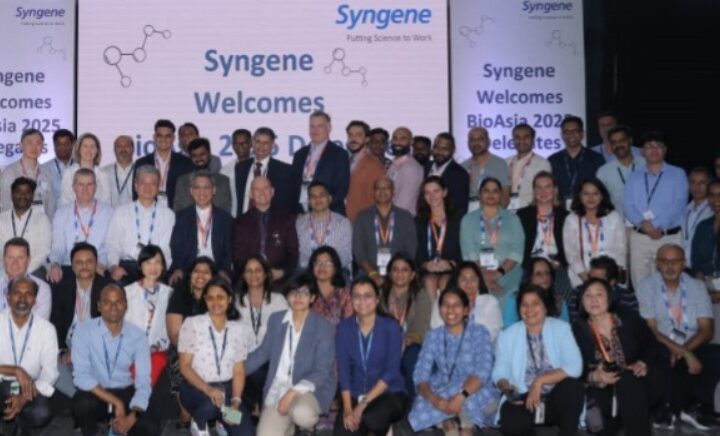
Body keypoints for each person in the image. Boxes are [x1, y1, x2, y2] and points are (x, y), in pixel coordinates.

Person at [636, 244, 720, 429]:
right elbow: (651, 331)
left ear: (684, 263)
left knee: (716, 354)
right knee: (660, 354)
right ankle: (665, 407)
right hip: (661, 344)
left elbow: (707, 330)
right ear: (657, 264)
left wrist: (683, 351)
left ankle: (697, 407)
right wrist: (684, 353)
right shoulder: (646, 287)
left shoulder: (697, 287)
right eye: (664, 261)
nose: (669, 266)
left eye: (675, 261)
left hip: (691, 344)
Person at [245, 280, 337, 436]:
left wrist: (292, 393)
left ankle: (302, 425)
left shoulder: (322, 326)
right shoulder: (276, 320)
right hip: (278, 390)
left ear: (312, 298)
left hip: (310, 389)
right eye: (293, 293)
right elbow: (262, 353)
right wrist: (235, 371)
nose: (298, 297)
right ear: (287, 297)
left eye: (304, 293)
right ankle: (289, 427)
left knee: (302, 413)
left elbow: (322, 371)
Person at [572, 278, 663, 436]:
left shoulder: (627, 317)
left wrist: (643, 362)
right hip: (602, 385)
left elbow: (652, 345)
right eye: (588, 295)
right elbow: (574, 367)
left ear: (609, 297)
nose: (593, 300)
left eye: (599, 294)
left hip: (636, 380)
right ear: (582, 301)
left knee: (629, 382)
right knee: (598, 401)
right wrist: (594, 376)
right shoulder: (578, 328)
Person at [493, 285, 585, 436]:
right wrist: (507, 389)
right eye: (524, 304)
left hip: (555, 396)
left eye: (535, 303)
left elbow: (575, 366)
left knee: (573, 387)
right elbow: (500, 372)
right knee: (511, 422)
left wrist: (539, 381)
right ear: (519, 309)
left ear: (545, 307)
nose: (529, 309)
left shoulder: (561, 328)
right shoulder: (508, 335)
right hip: (524, 397)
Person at [408, 288, 501, 434]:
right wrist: (434, 399)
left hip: (475, 388)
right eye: (445, 304)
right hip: (443, 387)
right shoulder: (433, 336)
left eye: (456, 305)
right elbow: (420, 374)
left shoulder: (479, 332)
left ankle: (454, 423)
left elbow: (483, 371)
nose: (450, 309)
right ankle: (452, 420)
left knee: (467, 404)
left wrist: (461, 396)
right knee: (419, 406)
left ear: (466, 310)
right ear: (439, 309)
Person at [71, 284, 160, 436]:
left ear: (126, 305)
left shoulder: (138, 336)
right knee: (82, 403)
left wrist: (132, 417)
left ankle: (117, 427)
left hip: (125, 391)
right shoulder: (83, 330)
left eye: (118, 301)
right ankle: (96, 429)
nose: (113, 307)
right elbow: (81, 376)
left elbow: (143, 382)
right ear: (99, 306)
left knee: (150, 427)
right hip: (96, 392)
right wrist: (115, 402)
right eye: (107, 302)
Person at [178, 277, 255, 435]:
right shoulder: (192, 324)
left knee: (245, 432)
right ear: (205, 300)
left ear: (229, 299)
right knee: (211, 405)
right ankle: (199, 424)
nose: (215, 302)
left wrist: (235, 401)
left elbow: (239, 370)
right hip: (197, 389)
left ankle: (222, 422)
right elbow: (184, 367)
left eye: (220, 297)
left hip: (227, 392)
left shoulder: (239, 330)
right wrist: (208, 389)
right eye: (210, 298)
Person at [335, 278, 407, 435]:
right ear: (351, 299)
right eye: (357, 296)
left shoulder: (391, 327)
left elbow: (391, 372)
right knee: (343, 431)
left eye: (367, 296)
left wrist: (361, 406)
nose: (362, 301)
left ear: (377, 299)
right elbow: (344, 371)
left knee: (372, 418)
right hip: (356, 392)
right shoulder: (344, 328)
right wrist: (347, 409)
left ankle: (385, 429)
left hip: (388, 392)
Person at [624, 131, 688, 289]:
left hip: (668, 236)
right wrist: (643, 224)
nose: (653, 150)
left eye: (658, 146)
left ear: (665, 150)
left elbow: (679, 203)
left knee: (671, 283)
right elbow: (628, 205)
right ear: (642, 151)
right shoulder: (633, 176)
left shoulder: (678, 174)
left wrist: (656, 224)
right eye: (649, 146)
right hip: (640, 237)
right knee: (640, 285)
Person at [50, 242, 111, 398]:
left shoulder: (108, 289)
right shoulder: (62, 289)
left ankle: (81, 398)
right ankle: (79, 397)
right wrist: (62, 351)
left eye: (89, 262)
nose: (84, 266)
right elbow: (55, 325)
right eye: (79, 262)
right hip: (68, 344)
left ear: (96, 264)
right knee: (49, 364)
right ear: (72, 266)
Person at [0, 276, 58, 434]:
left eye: (28, 294)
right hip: (1, 382)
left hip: (30, 387)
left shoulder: (47, 329)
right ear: (8, 298)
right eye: (17, 293)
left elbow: (50, 373)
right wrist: (15, 370)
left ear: (35, 301)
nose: (22, 298)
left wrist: (23, 398)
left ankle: (18, 425)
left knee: (42, 413)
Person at [234, 255, 289, 414]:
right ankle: (244, 413)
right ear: (243, 275)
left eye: (258, 270)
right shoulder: (235, 302)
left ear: (266, 274)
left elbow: (284, 336)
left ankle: (260, 409)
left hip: (270, 362)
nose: (253, 275)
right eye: (249, 271)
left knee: (256, 373)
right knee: (235, 417)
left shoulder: (279, 300)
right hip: (242, 361)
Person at [460, 177, 524, 309]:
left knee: (510, 298)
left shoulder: (513, 219)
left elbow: (517, 251)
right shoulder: (468, 220)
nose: (490, 194)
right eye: (486, 190)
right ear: (479, 195)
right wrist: (484, 276)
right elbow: (469, 253)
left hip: (509, 273)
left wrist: (497, 274)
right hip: (477, 274)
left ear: (500, 195)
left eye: (495, 191)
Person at [106, 165, 175, 285]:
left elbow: (167, 250)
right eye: (143, 183)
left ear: (158, 187)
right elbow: (112, 244)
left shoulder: (168, 214)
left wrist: (159, 270)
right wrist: (114, 266)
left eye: (152, 183)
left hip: (155, 267)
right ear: (136, 186)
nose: (148, 187)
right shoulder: (121, 212)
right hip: (128, 267)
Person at [166, 257, 213, 429]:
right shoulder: (180, 293)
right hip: (186, 351)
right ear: (190, 275)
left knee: (238, 420)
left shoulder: (219, 297)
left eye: (206, 272)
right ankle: (189, 415)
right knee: (212, 408)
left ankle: (214, 417)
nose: (201, 275)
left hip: (223, 399)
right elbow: (175, 337)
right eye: (196, 271)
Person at [48, 168, 113, 283]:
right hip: (69, 267)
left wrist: (103, 264)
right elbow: (58, 247)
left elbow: (111, 247)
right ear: (73, 187)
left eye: (89, 184)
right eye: (80, 185)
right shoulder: (61, 213)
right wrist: (55, 264)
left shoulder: (109, 213)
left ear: (95, 187)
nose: (85, 189)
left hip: (98, 267)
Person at [169, 170, 233, 284]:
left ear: (214, 190)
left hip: (216, 270)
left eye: (206, 187)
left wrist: (223, 270)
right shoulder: (181, 217)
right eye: (197, 188)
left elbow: (228, 250)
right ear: (191, 191)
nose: (201, 192)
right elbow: (176, 247)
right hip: (188, 270)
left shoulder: (225, 218)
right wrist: (179, 268)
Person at [381, 254, 433, 395]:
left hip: (412, 343)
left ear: (412, 275)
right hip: (385, 344)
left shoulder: (420, 295)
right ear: (389, 273)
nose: (399, 274)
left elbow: (421, 325)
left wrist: (406, 340)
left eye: (405, 270)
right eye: (395, 269)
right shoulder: (380, 295)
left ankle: (414, 401)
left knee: (412, 357)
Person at [232, 176, 298, 284]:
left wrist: (282, 272)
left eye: (265, 188)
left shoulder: (286, 219)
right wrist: (252, 273)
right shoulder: (240, 222)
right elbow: (238, 256)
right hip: (249, 279)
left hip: (280, 279)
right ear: (251, 194)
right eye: (257, 189)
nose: (262, 193)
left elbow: (293, 253)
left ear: (272, 192)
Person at [353, 176, 418, 286]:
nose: (382, 191)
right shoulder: (362, 217)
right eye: (378, 188)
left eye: (386, 188)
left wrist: (395, 274)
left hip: (399, 273)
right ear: (373, 193)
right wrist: (373, 274)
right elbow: (359, 252)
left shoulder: (406, 217)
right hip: (368, 272)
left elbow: (411, 250)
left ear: (393, 192)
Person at [563, 178, 627, 288]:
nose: (591, 198)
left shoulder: (614, 217)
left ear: (602, 196)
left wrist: (612, 279)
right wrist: (587, 280)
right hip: (582, 277)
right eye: (586, 194)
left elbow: (621, 250)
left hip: (610, 278)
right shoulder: (572, 219)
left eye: (595, 194)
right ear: (579, 196)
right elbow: (571, 253)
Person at [516, 171, 570, 294]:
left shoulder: (565, 216)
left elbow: (569, 248)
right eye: (538, 188)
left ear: (555, 190)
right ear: (534, 191)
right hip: (530, 266)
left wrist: (556, 263)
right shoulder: (523, 215)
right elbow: (518, 247)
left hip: (557, 266)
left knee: (564, 293)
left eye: (547, 187)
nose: (543, 192)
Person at [290, 111, 350, 215]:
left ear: (329, 128)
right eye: (312, 126)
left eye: (319, 126)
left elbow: (341, 189)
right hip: (302, 215)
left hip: (330, 214)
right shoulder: (299, 154)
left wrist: (320, 207)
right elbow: (293, 186)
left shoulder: (339, 154)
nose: (315, 130)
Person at [430, 262, 502, 341]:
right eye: (463, 279)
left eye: (473, 279)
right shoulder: (443, 300)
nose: (469, 283)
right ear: (456, 282)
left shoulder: (490, 302)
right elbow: (437, 328)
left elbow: (492, 331)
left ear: (479, 281)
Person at [415, 176, 463, 294]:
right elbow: (415, 252)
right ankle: (432, 307)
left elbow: (464, 249)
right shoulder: (418, 221)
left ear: (444, 192)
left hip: (452, 268)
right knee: (429, 281)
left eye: (436, 191)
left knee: (445, 281)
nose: (432, 196)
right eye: (427, 193)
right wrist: (425, 265)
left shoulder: (458, 219)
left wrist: (451, 264)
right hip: (427, 269)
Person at [133, 119, 194, 209]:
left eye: (167, 136)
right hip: (148, 209)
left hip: (177, 210)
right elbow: (136, 192)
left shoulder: (186, 162)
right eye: (160, 136)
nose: (163, 139)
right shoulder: (142, 162)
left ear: (173, 138)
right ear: (154, 137)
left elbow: (190, 192)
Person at [233, 127, 294, 216]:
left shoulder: (284, 170)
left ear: (272, 145)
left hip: (273, 221)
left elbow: (287, 202)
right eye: (258, 142)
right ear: (253, 143)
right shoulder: (240, 167)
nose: (261, 146)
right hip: (244, 221)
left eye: (266, 143)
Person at [548, 116, 605, 208]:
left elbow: (602, 188)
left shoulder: (596, 158)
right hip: (560, 210)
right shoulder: (553, 160)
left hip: (589, 209)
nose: (571, 134)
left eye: (575, 131)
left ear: (582, 134)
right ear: (562, 135)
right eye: (567, 131)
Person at [124, 245, 173, 353]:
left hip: (158, 352)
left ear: (163, 266)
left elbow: (169, 329)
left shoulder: (169, 294)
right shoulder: (127, 292)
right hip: (130, 350)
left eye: (157, 262)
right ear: (140, 266)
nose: (153, 267)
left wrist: (156, 347)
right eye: (148, 263)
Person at [296, 181, 353, 272]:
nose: (317, 199)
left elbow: (346, 255)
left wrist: (329, 267)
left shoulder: (343, 222)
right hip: (307, 271)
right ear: (308, 201)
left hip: (336, 270)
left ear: (329, 198)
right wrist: (314, 269)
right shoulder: (300, 223)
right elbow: (300, 254)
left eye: (321, 195)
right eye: (313, 196)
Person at [0, 177, 51, 277]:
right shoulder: (1, 219)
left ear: (32, 196)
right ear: (12, 195)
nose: (23, 195)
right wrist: (9, 270)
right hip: (5, 270)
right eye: (19, 192)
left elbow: (43, 250)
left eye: (27, 192)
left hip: (33, 270)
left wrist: (24, 270)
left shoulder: (41, 219)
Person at [566, 255, 639, 323]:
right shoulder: (578, 293)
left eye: (597, 280)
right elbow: (576, 323)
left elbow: (634, 324)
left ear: (612, 282)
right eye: (590, 278)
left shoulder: (628, 297)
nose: (592, 283)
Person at [0, 129, 56, 218]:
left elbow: (51, 203)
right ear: (21, 146)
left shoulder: (46, 172)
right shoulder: (10, 172)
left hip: (42, 222)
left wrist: (48, 222)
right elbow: (6, 202)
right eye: (29, 143)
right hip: (18, 223)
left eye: (38, 143)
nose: (34, 147)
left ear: (42, 146)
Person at [502, 257, 570, 326]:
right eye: (538, 274)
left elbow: (565, 328)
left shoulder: (558, 301)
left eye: (547, 273)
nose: (545, 277)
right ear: (529, 277)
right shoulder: (515, 299)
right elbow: (509, 328)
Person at [596, 125, 645, 219]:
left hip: (645, 222)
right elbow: (600, 202)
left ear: (630, 140)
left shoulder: (646, 165)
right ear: (610, 145)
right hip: (617, 223)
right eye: (614, 142)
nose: (618, 145)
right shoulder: (603, 172)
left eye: (622, 141)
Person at [173, 137, 232, 212]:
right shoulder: (182, 181)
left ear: (209, 154)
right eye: (194, 156)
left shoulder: (223, 181)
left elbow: (226, 210)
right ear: (190, 158)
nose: (198, 158)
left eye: (202, 154)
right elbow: (178, 210)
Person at [461, 127, 511, 211]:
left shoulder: (499, 164)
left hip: (493, 212)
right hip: (467, 213)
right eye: (472, 140)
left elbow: (505, 195)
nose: (476, 143)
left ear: (488, 142)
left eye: (480, 139)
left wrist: (496, 215)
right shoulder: (463, 167)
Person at [0, 238, 51, 320]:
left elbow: (40, 323)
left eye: (20, 258)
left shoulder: (42, 288)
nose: (15, 263)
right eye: (10, 257)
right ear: (4, 259)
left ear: (28, 260)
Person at [345, 121, 385, 223]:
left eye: (358, 135)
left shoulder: (374, 165)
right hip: (345, 221)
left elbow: (377, 199)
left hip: (362, 223)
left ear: (367, 139)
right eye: (350, 135)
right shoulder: (346, 160)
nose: (353, 139)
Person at [505, 124, 552, 211]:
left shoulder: (542, 164)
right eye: (517, 137)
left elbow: (545, 192)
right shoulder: (505, 162)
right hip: (507, 210)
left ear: (533, 140)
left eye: (526, 137)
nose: (521, 140)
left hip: (530, 210)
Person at [425, 132, 470, 215]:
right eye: (436, 147)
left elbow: (460, 208)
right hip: (424, 219)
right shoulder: (425, 168)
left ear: (453, 150)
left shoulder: (460, 174)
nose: (439, 152)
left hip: (447, 220)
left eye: (444, 149)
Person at [60, 132, 111, 206]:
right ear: (78, 149)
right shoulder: (69, 173)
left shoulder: (103, 174)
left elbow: (107, 202)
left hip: (99, 212)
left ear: (97, 150)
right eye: (85, 146)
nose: (89, 150)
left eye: (92, 147)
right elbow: (65, 201)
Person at [308, 246, 353, 328]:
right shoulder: (306, 294)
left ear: (335, 268)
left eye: (328, 263)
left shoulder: (345, 295)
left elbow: (349, 325)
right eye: (318, 263)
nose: (322, 267)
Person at [385, 126, 424, 216]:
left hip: (402, 219)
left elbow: (403, 204)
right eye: (395, 138)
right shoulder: (394, 164)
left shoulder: (411, 168)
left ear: (411, 141)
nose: (398, 142)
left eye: (403, 138)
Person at [682, 167, 713, 268]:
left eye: (702, 182)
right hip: (682, 266)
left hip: (704, 268)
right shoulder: (683, 209)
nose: (697, 187)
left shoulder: (713, 211)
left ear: (709, 184)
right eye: (693, 182)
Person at [221, 128, 252, 217]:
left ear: (251, 144)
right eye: (236, 143)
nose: (240, 146)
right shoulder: (225, 171)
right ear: (233, 146)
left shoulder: (260, 167)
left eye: (243, 143)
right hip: (234, 217)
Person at [101, 135, 136, 209]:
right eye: (119, 146)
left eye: (127, 146)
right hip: (111, 214)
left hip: (135, 214)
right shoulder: (104, 172)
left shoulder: (140, 171)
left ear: (132, 149)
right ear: (114, 150)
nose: (123, 149)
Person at [41, 128, 75, 203]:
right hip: (53, 209)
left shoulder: (80, 167)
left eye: (66, 144)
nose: (62, 147)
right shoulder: (44, 168)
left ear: (72, 145)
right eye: (59, 144)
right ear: (54, 146)